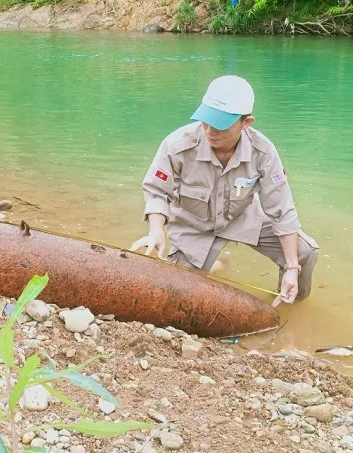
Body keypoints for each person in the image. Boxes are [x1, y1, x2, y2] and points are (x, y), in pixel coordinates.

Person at [131, 75, 319, 306]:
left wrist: (292, 267)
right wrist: (156, 232)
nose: (210, 131)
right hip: (194, 225)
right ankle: (213, 264)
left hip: (242, 217)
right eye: (206, 121)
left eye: (220, 125)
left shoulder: (263, 152)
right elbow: (157, 191)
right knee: (178, 295)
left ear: (246, 122)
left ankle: (288, 301)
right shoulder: (177, 145)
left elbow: (282, 209)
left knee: (305, 252)